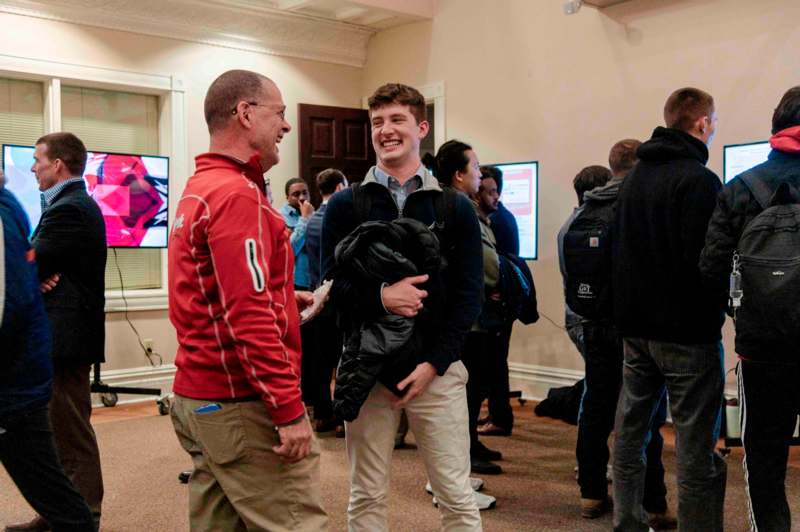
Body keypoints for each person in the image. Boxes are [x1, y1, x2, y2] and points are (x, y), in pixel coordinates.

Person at [168, 69, 327, 531]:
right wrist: (288, 408)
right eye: (279, 112)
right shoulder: (238, 196)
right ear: (245, 113)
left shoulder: (200, 189)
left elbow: (216, 290)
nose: (286, 125)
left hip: (200, 396)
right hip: (239, 401)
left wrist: (281, 295)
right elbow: (248, 315)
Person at [321, 83, 483, 531]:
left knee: (455, 495)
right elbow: (329, 289)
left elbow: (470, 297)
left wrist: (435, 363)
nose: (385, 131)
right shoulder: (344, 205)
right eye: (377, 123)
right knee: (366, 496)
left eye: (396, 120)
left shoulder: (455, 208)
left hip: (437, 371)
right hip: (366, 372)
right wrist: (380, 297)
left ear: (421, 128)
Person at [612, 88, 726, 532]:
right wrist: (714, 315)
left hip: (636, 330)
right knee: (695, 447)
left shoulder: (635, 177)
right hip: (686, 334)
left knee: (632, 432)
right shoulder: (699, 180)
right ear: (701, 123)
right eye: (713, 122)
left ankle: (628, 522)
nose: (713, 129)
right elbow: (707, 262)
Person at [699, 86, 800, 532]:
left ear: (775, 125)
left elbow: (711, 269)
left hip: (762, 350)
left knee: (764, 459)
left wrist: (745, 312)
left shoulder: (742, 188)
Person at [559, 146, 676, 529]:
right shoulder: (637, 210)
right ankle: (654, 500)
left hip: (591, 325)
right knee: (644, 414)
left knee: (595, 408)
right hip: (632, 328)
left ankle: (591, 492)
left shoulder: (580, 216)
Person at [8, 132, 107, 532]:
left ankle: (84, 517)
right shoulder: (66, 206)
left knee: (71, 430)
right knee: (55, 430)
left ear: (58, 165)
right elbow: (37, 259)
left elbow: (27, 257)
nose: (32, 167)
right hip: (60, 334)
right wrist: (38, 269)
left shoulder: (71, 208)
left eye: (37, 160)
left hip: (66, 338)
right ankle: (58, 513)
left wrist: (34, 266)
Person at [424, 140, 503, 479]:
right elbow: (484, 266)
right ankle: (465, 452)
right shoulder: (458, 207)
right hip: (464, 320)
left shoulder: (460, 205)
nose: (480, 173)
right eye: (475, 167)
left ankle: (471, 444)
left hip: (471, 317)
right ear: (458, 175)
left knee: (474, 387)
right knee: (465, 392)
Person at [304, 168, 347, 433]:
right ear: (341, 188)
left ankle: (322, 413)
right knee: (343, 359)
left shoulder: (312, 220)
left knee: (320, 361)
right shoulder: (339, 219)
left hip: (316, 297)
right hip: (338, 298)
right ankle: (343, 418)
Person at [475, 165, 516, 437]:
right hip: (498, 302)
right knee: (495, 362)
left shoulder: (496, 219)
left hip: (496, 303)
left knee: (494, 363)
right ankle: (498, 415)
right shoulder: (502, 216)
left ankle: (500, 417)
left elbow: (496, 265)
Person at [281, 177, 314, 291]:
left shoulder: (313, 213)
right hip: (294, 281)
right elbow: (290, 249)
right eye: (296, 194)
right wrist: (305, 219)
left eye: (305, 193)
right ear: (288, 198)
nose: (302, 198)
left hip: (314, 278)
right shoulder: (280, 218)